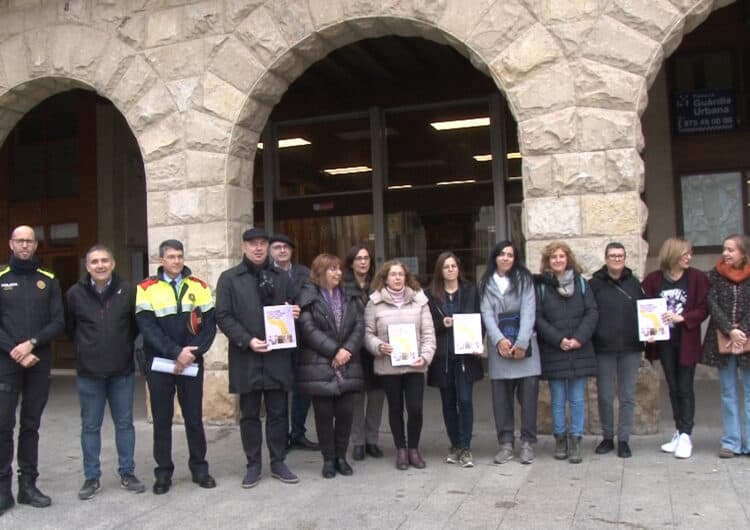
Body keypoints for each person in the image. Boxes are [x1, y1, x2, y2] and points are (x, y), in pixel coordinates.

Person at [215, 228, 301, 488]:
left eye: (263, 243)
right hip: (246, 356)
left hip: (277, 356)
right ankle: (253, 465)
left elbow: (292, 304)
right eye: (253, 244)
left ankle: (278, 462)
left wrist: (293, 311)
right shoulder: (229, 278)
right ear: (243, 247)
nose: (258, 248)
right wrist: (248, 340)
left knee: (278, 412)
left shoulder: (281, 276)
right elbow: (223, 315)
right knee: (249, 414)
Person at [135, 239, 217, 494]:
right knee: (162, 420)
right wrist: (175, 353)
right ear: (161, 260)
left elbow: (209, 326)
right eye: (171, 257)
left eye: (180, 256)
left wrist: (191, 354)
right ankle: (163, 474)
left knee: (194, 418)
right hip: (159, 363)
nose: (176, 261)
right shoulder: (146, 288)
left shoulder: (200, 286)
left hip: (191, 363)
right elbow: (147, 328)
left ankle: (200, 469)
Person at [65, 245, 145, 500]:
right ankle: (91, 477)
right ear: (87, 266)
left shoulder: (129, 291)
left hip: (121, 371)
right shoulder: (74, 294)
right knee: (90, 426)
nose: (100, 265)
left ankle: (127, 473)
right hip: (89, 373)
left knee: (124, 424)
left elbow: (134, 327)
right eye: (94, 262)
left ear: (113, 263)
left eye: (104, 261)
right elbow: (70, 329)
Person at [0, 225, 64, 515]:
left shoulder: (48, 280)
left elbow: (58, 322)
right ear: (11, 244)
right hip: (6, 362)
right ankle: (3, 491)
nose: (25, 245)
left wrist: (32, 344)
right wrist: (16, 350)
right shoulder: (1, 278)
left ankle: (28, 486)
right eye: (20, 241)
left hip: (38, 361)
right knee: (3, 426)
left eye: (29, 241)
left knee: (31, 425)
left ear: (36, 245)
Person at [297, 254, 364, 478]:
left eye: (338, 269)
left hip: (348, 362)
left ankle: (341, 457)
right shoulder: (308, 296)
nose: (338, 273)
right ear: (320, 272)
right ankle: (328, 459)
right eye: (332, 269)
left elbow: (359, 325)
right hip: (319, 364)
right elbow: (308, 329)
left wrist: (346, 351)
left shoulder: (350, 294)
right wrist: (334, 351)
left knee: (346, 413)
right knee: (324, 415)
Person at [364, 260, 436, 470]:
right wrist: (378, 346)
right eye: (393, 274)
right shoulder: (374, 303)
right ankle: (401, 449)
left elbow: (429, 334)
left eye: (401, 274)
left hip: (415, 365)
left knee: (415, 409)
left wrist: (426, 356)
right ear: (385, 278)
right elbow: (367, 334)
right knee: (395, 409)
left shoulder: (420, 301)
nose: (397, 278)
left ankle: (414, 448)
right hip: (389, 367)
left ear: (406, 277)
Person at [643, 237, 709, 459]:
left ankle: (686, 434)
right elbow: (646, 309)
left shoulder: (697, 278)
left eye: (690, 253)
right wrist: (649, 333)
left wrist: (683, 317)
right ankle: (679, 431)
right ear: (672, 255)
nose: (689, 257)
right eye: (685, 254)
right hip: (665, 343)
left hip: (686, 340)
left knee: (685, 387)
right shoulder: (653, 280)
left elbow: (703, 309)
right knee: (672, 386)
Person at [534, 241, 598, 464]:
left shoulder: (581, 283)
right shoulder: (541, 287)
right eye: (554, 257)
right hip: (555, 350)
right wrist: (558, 339)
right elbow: (538, 317)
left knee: (578, 399)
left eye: (562, 256)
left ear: (568, 258)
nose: (558, 260)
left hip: (579, 348)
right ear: (548, 261)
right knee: (558, 399)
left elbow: (592, 312)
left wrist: (578, 339)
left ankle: (576, 439)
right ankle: (560, 438)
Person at [479, 241, 538, 465]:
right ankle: (505, 443)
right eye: (502, 254)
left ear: (515, 258)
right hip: (500, 350)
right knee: (501, 401)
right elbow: (487, 314)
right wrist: (499, 340)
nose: (506, 258)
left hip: (525, 349)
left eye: (510, 255)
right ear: (495, 257)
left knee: (529, 400)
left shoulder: (525, 280)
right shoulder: (486, 283)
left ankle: (527, 443)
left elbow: (528, 311)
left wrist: (521, 342)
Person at [427, 251, 484, 468]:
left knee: (466, 400)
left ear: (458, 269)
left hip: (466, 357)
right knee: (448, 404)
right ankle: (455, 445)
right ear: (440, 271)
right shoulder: (431, 295)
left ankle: (466, 446)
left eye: (453, 266)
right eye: (446, 267)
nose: (451, 270)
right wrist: (444, 325)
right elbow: (427, 324)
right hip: (443, 358)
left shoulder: (470, 291)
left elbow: (480, 319)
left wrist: (479, 342)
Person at [589, 243, 644, 459]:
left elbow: (644, 310)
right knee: (604, 395)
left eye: (620, 255)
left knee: (628, 395)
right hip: (603, 347)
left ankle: (623, 439)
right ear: (605, 258)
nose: (617, 259)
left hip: (631, 347)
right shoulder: (594, 284)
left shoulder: (634, 283)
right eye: (612, 255)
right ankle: (607, 436)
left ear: (625, 258)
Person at [701, 234, 750, 458]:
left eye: (731, 249)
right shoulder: (714, 275)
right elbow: (712, 303)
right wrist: (730, 329)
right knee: (728, 391)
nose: (726, 253)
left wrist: (743, 331)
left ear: (743, 253)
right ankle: (731, 441)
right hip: (723, 338)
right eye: (724, 249)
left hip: (746, 337)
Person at [270, 234, 318, 451]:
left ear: (291, 251)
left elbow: (311, 292)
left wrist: (296, 304)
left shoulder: (303, 272)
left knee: (302, 389)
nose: (282, 251)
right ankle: (280, 438)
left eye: (286, 247)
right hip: (276, 339)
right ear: (271, 251)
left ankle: (298, 433)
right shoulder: (263, 274)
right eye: (277, 247)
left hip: (301, 338)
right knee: (280, 391)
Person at [343, 244, 384, 461]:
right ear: (351, 262)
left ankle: (372, 440)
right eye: (358, 258)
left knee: (377, 396)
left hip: (376, 350)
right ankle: (357, 441)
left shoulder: (378, 286)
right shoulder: (343, 287)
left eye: (366, 258)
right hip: (355, 350)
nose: (363, 262)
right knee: (356, 398)